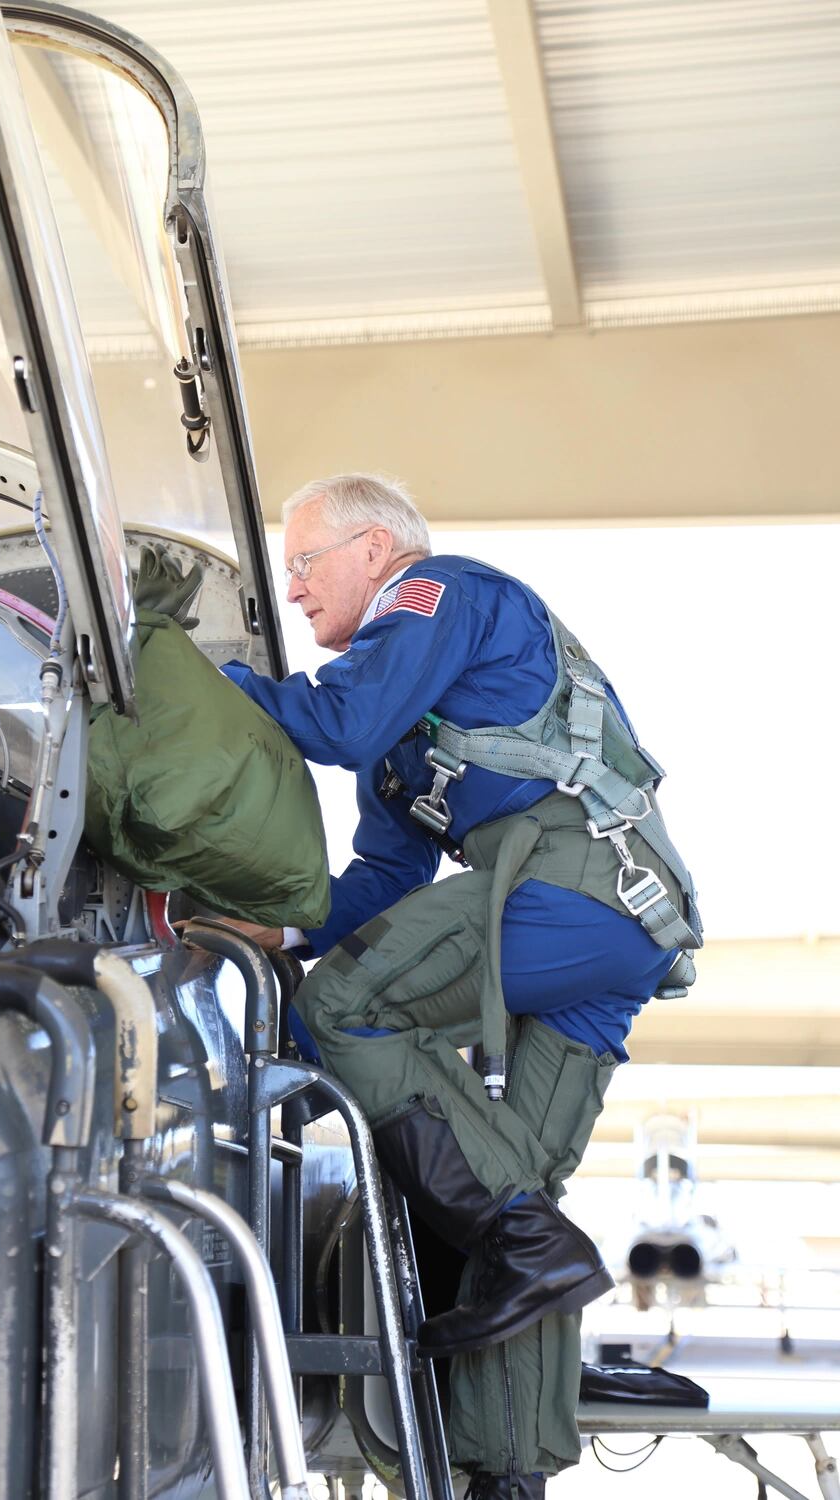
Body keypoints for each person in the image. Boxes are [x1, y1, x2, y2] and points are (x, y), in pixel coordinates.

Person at [221, 474, 701, 1497]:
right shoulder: (404, 734)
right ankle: (507, 1474)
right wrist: (287, 927)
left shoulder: (439, 592)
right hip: (607, 926)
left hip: (575, 887)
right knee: (512, 1165)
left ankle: (525, 1238)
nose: (296, 590)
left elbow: (335, 724)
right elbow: (386, 877)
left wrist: (205, 681)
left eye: (305, 563)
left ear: (374, 551)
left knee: (339, 1010)